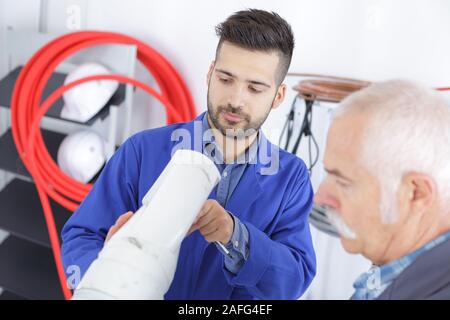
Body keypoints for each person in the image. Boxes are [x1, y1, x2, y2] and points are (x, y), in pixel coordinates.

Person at [61, 9, 316, 300]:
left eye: (255, 88)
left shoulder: (291, 178)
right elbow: (81, 236)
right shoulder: (141, 151)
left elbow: (294, 280)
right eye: (225, 79)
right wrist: (100, 277)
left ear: (278, 96)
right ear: (210, 74)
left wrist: (235, 235)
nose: (235, 99)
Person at [314, 79, 450, 299]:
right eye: (329, 173)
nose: (320, 198)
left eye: (343, 182)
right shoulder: (389, 276)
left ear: (416, 194)